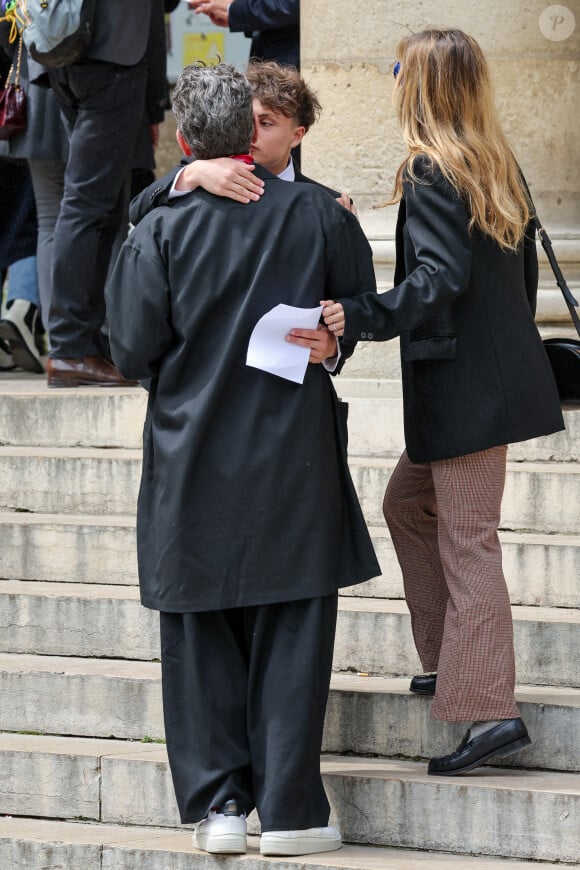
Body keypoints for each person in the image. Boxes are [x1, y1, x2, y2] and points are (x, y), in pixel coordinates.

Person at [106, 62, 379, 857]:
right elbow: (357, 305)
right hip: (291, 452)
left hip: (193, 450)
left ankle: (221, 806)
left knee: (198, 632)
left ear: (186, 141)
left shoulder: (159, 227)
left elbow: (129, 349)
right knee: (294, 624)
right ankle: (291, 811)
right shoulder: (321, 215)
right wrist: (337, 339)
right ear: (251, 133)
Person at [321, 28, 565, 776]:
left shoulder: (432, 169)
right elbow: (517, 284)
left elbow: (435, 282)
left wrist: (356, 313)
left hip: (465, 394)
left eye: (397, 69)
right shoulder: (491, 163)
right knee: (407, 506)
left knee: (469, 542)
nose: (392, 78)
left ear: (418, 84)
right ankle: (450, 660)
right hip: (483, 389)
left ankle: (491, 709)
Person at [45, 0, 161, 388]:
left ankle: (86, 344)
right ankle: (71, 347)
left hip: (67, 47)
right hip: (110, 52)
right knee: (88, 205)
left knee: (102, 205)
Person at [130, 60, 354, 218]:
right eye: (247, 120)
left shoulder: (329, 203)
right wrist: (191, 174)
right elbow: (137, 210)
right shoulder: (199, 173)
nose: (251, 131)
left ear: (296, 136)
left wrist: (341, 226)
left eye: (266, 123)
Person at [187, 0, 299, 68]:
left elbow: (293, 5)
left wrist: (232, 9)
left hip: (291, 63)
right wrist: (233, 13)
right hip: (270, 59)